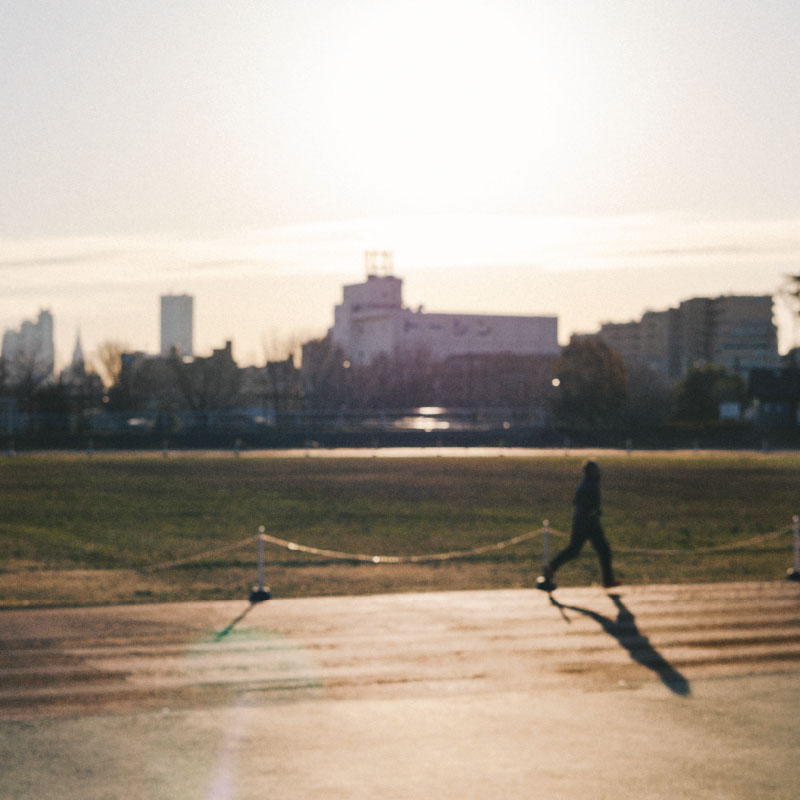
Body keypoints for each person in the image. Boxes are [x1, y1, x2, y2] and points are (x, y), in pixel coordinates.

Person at [544, 459, 621, 589]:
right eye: (596, 469)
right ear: (590, 471)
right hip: (588, 524)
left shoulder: (586, 483)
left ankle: (552, 566)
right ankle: (607, 581)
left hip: (584, 522)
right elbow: (586, 505)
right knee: (602, 550)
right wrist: (594, 514)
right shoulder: (590, 485)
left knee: (577, 550)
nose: (598, 471)